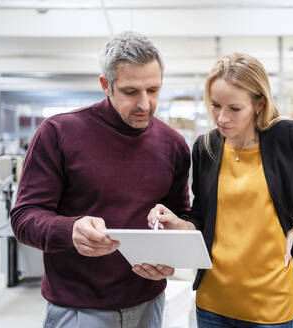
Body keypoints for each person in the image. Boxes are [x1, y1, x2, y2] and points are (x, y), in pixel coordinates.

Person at [138, 53, 293, 327]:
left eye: (234, 108)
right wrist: (178, 224)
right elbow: (202, 219)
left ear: (259, 103)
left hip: (272, 309)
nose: (222, 118)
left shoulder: (289, 138)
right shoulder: (206, 147)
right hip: (212, 306)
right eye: (215, 106)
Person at [10, 31, 191, 328]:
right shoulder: (59, 133)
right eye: (131, 92)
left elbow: (180, 216)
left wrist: (169, 252)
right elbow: (24, 218)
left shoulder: (172, 144)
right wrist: (69, 230)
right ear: (106, 85)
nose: (145, 103)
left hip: (149, 304)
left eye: (154, 90)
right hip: (79, 309)